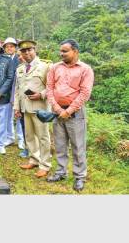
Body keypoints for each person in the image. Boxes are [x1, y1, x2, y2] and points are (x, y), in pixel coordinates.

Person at [46, 39, 94, 192]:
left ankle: (80, 177)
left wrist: (69, 111)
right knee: (60, 145)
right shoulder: (55, 67)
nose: (61, 54)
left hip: (75, 114)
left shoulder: (85, 69)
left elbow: (85, 93)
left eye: (65, 51)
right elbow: (49, 89)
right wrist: (58, 109)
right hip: (57, 111)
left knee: (78, 146)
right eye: (61, 51)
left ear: (75, 51)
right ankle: (61, 172)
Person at [13, 40, 52, 178]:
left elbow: (52, 87)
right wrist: (16, 107)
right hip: (25, 108)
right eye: (24, 51)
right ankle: (34, 159)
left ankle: (45, 165)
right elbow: (18, 90)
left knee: (43, 137)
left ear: (35, 50)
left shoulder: (46, 66)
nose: (27, 53)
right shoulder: (20, 69)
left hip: (40, 108)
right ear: (21, 53)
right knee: (29, 136)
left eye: (29, 50)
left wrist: (41, 94)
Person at [2, 37, 25, 149]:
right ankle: (10, 137)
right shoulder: (2, 59)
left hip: (19, 91)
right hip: (6, 92)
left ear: (15, 48)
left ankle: (21, 139)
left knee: (19, 116)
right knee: (8, 116)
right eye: (7, 47)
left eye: (11, 46)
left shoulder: (20, 58)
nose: (9, 48)